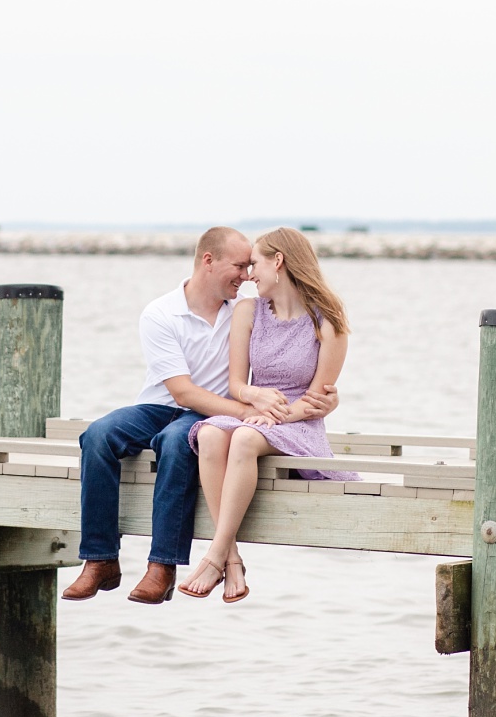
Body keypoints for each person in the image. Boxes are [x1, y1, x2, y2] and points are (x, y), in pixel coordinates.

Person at [63, 226, 338, 605]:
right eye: (239, 266)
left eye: (250, 267)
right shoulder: (161, 313)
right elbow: (183, 392)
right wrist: (249, 409)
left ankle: (162, 566)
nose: (245, 276)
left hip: (208, 416)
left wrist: (317, 403)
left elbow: (301, 376)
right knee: (97, 436)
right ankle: (99, 560)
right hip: (162, 405)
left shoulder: (242, 310)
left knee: (178, 442)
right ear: (209, 261)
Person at [179, 227, 355, 604]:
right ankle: (231, 558)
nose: (248, 275)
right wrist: (254, 395)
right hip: (256, 411)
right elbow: (235, 384)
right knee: (209, 434)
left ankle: (213, 557)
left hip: (298, 423)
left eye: (254, 264)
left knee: (242, 438)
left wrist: (277, 417)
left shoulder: (328, 320)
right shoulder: (248, 310)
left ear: (279, 261)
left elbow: (317, 400)